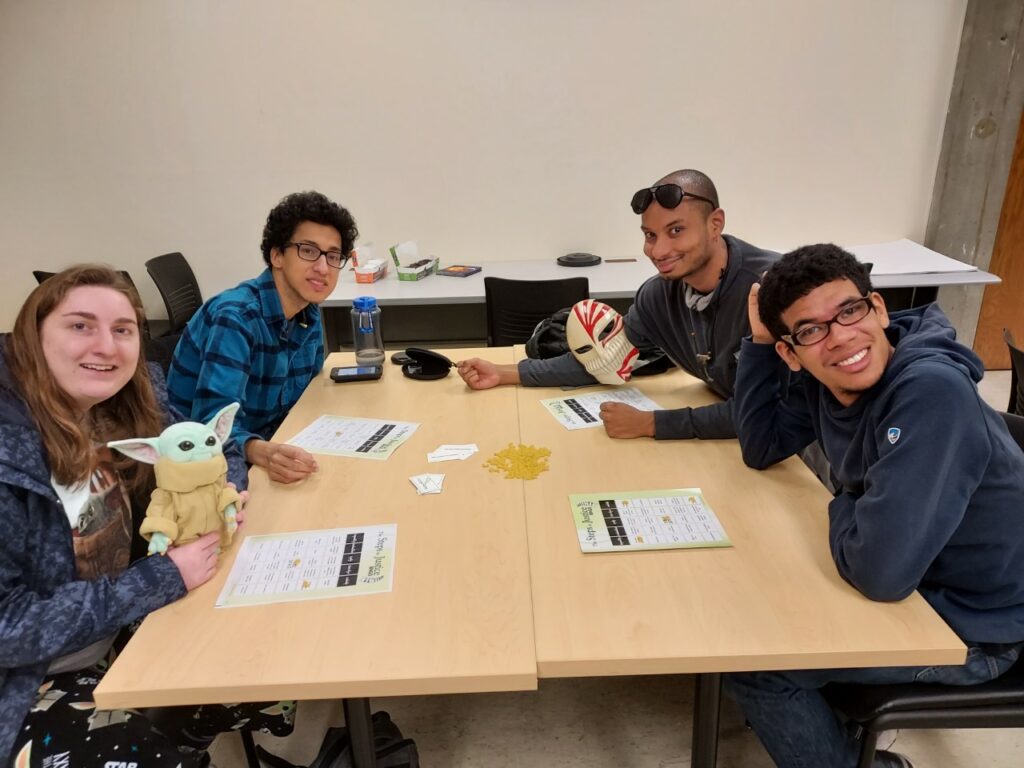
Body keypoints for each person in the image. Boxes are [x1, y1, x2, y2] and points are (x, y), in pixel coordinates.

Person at [725, 244, 1024, 768]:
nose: (840, 337)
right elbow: (761, 446)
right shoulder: (827, 380)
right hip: (923, 590)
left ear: (879, 308)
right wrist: (757, 343)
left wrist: (843, 501)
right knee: (756, 614)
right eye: (811, 330)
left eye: (849, 311)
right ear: (791, 354)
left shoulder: (931, 392)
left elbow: (882, 574)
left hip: (976, 628)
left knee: (758, 668)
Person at [0, 266, 294, 767]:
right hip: (28, 679)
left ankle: (183, 736)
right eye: (80, 326)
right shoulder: (12, 453)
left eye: (123, 330)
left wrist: (223, 489)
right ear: (33, 337)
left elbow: (211, 445)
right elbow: (8, 627)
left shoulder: (133, 400)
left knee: (276, 659)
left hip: (118, 622)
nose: (107, 347)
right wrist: (160, 579)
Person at [456, 169, 779, 440]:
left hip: (802, 457)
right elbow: (605, 359)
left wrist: (651, 423)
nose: (659, 250)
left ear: (715, 224)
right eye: (650, 235)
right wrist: (504, 373)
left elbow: (766, 413)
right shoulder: (658, 297)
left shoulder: (772, 288)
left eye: (676, 230)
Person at [168, 190, 358, 484]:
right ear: (277, 255)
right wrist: (263, 453)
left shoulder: (307, 313)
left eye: (333, 257)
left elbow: (305, 398)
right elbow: (210, 428)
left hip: (273, 449)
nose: (323, 268)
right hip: (203, 471)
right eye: (308, 250)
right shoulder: (236, 319)